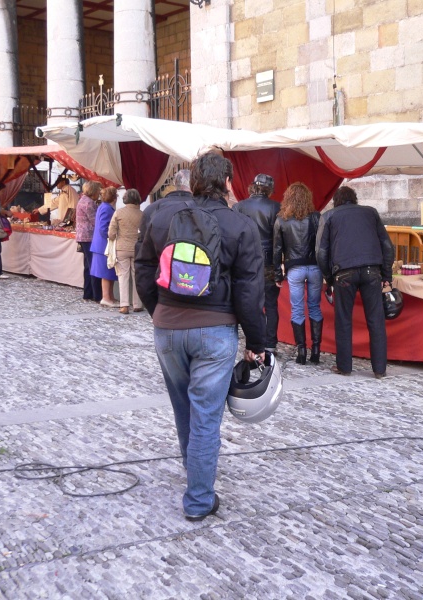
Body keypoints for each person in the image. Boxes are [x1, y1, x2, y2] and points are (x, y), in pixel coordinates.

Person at [135, 151, 266, 521]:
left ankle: (196, 479)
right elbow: (249, 290)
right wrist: (257, 342)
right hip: (215, 330)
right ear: (228, 183)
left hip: (168, 328)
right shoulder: (240, 227)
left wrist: (157, 311)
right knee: (206, 416)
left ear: (193, 183)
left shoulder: (161, 218)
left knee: (184, 411)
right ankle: (198, 499)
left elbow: (143, 269)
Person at [316, 185, 394, 378]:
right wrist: (386, 276)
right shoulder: (371, 213)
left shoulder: (329, 216)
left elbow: (321, 252)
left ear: (336, 201)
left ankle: (345, 366)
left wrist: (328, 277)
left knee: (343, 320)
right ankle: (379, 369)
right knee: (376, 320)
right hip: (372, 270)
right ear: (355, 199)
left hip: (343, 273)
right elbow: (387, 246)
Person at [273, 182, 323, 364]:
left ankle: (301, 352)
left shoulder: (281, 220)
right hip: (315, 267)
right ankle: (316, 350)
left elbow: (277, 250)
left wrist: (278, 274)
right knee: (315, 307)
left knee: (297, 309)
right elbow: (322, 246)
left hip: (294, 268)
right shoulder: (316, 217)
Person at [233, 173, 281, 352]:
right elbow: (279, 239)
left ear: (253, 186)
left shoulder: (239, 207)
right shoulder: (276, 207)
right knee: (270, 304)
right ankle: (270, 344)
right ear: (269, 189)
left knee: (248, 302)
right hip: (267, 261)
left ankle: (251, 342)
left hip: (245, 260)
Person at [109, 188, 144, 314]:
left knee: (123, 276)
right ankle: (137, 304)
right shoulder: (141, 214)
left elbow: (111, 233)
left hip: (122, 248)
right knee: (136, 276)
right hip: (137, 249)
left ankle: (124, 305)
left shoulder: (118, 213)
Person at [90, 186, 119, 307]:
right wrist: (112, 236)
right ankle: (106, 297)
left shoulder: (103, 207)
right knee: (106, 273)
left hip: (101, 245)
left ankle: (110, 297)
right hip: (103, 246)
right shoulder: (107, 209)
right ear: (114, 197)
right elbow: (103, 228)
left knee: (109, 273)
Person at [76, 181, 102, 302]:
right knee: (93, 265)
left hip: (82, 236)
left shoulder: (82, 200)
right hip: (89, 237)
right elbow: (95, 221)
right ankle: (97, 294)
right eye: (98, 191)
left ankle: (88, 293)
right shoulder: (89, 203)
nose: (99, 193)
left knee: (88, 265)